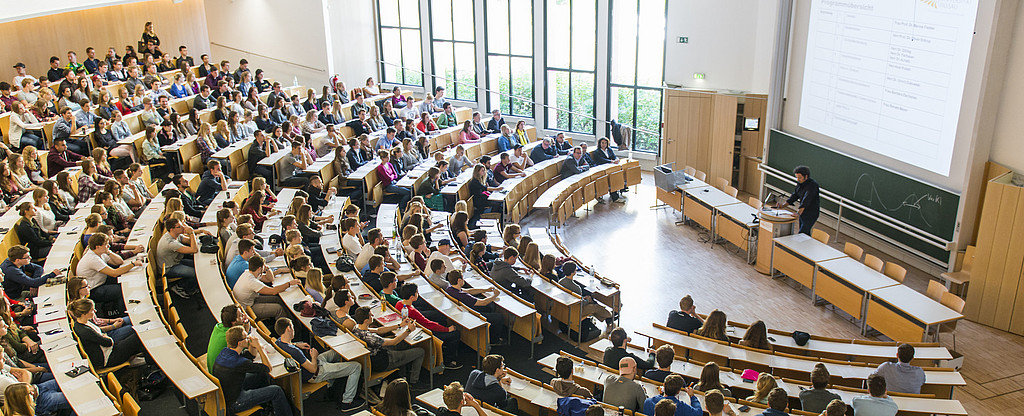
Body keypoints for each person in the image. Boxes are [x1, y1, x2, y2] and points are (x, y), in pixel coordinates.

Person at [274, 318, 364, 410]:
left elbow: (288, 345)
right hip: (317, 372)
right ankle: (347, 402)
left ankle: (332, 389)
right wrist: (314, 356)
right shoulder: (295, 352)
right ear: (289, 328)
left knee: (337, 352)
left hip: (315, 363)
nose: (294, 329)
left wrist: (296, 344)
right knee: (356, 366)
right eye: (292, 327)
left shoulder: (278, 342)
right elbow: (313, 369)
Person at [213, 326, 294, 416]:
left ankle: (267, 407)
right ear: (240, 343)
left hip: (229, 393)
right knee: (276, 391)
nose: (248, 338)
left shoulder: (225, 352)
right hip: (235, 402)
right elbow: (267, 368)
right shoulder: (239, 363)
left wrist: (252, 345)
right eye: (246, 337)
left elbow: (250, 356)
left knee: (261, 375)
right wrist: (259, 347)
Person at [350, 306, 425, 386]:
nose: (373, 315)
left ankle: (402, 374)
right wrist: (409, 330)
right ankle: (414, 382)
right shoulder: (371, 338)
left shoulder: (357, 328)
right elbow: (394, 342)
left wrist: (400, 325)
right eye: (370, 315)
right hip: (384, 361)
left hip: (377, 356)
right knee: (420, 351)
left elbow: (378, 330)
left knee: (404, 344)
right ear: (366, 320)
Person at [395, 284, 462, 370]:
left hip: (421, 327)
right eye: (416, 292)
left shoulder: (399, 303)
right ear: (412, 297)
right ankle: (449, 361)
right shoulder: (412, 311)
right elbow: (428, 324)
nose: (418, 293)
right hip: (426, 331)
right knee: (455, 334)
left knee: (439, 317)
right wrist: (447, 329)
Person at [70, 299, 147, 369]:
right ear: (84, 314)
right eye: (92, 310)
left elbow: (101, 334)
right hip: (110, 358)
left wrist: (104, 336)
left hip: (109, 349)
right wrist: (106, 337)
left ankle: (136, 357)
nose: (95, 311)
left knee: (132, 337)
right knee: (137, 337)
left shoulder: (81, 323)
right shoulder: (85, 331)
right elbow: (108, 342)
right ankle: (149, 361)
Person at [76, 233, 141, 312]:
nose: (109, 246)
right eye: (106, 245)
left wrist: (109, 252)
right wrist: (133, 264)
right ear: (98, 247)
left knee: (126, 280)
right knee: (122, 290)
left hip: (102, 281)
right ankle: (123, 312)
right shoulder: (92, 258)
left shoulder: (100, 252)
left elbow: (119, 262)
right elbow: (114, 273)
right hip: (94, 289)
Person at [233, 255, 299, 321]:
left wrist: (267, 269)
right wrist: (289, 283)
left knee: (277, 299)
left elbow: (269, 279)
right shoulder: (251, 281)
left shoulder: (249, 272)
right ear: (259, 268)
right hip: (248, 308)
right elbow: (273, 291)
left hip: (250, 300)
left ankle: (293, 320)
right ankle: (286, 327)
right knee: (278, 309)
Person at [155, 217, 201, 298]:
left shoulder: (176, 235)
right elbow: (194, 250)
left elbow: (190, 241)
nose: (183, 228)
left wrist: (191, 235)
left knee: (198, 265)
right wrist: (191, 233)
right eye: (179, 227)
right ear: (172, 229)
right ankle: (180, 287)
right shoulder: (170, 243)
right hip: (169, 268)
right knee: (196, 273)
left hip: (176, 261)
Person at [775, 165, 820, 235]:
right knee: (805, 232)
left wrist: (798, 213)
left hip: (811, 212)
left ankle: (804, 245)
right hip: (803, 211)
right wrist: (783, 205)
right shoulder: (800, 184)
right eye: (797, 177)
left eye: (800, 178)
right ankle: (807, 244)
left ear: (806, 176)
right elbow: (795, 195)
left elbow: (807, 199)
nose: (798, 179)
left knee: (803, 231)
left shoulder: (812, 185)